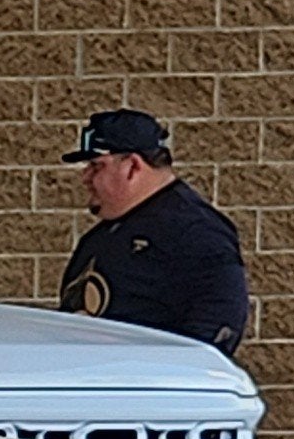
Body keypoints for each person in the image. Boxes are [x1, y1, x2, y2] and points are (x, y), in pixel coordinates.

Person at [56, 109, 252, 356]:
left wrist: (166, 379)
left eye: (96, 166)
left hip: (142, 387)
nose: (85, 177)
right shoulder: (106, 233)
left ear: (132, 166)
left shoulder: (194, 230)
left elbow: (220, 321)